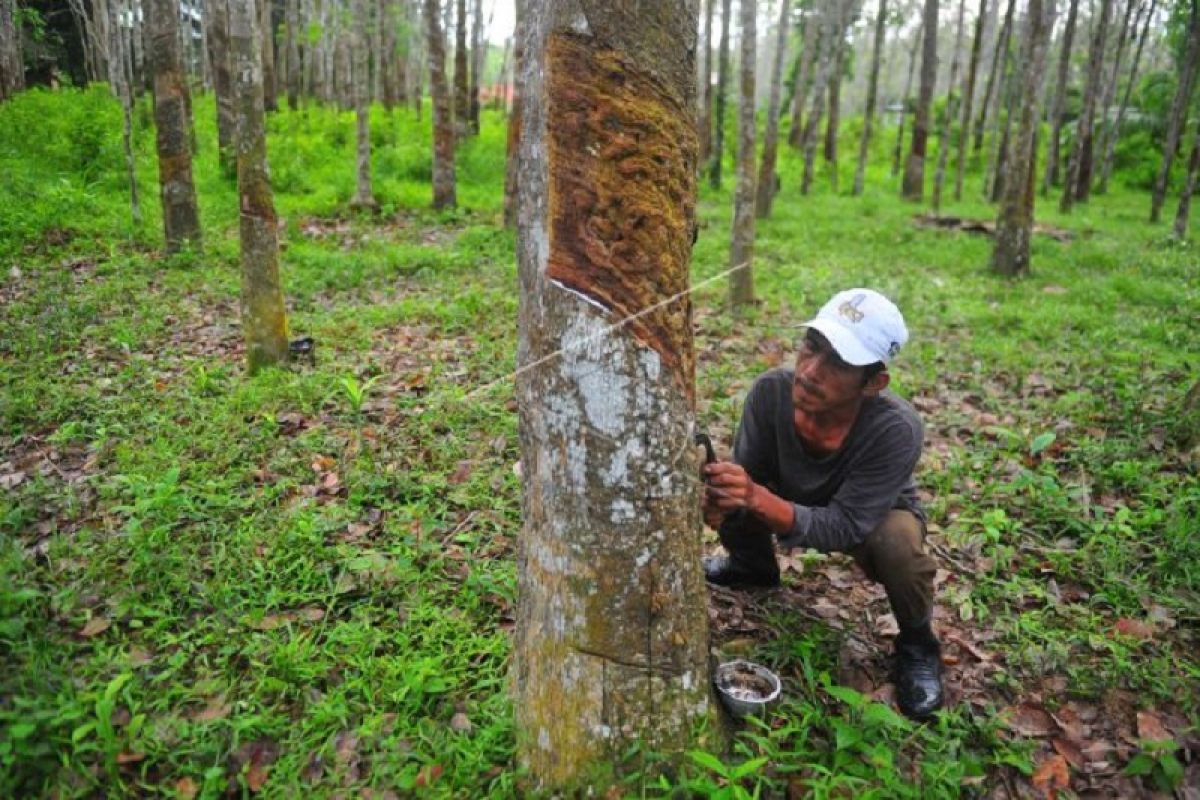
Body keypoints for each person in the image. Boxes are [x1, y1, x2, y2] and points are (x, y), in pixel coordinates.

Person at [701, 288, 943, 720]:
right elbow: (748, 476)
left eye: (838, 363)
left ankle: (918, 642)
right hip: (788, 495)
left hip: (866, 513)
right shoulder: (771, 393)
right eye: (811, 347)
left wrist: (756, 497)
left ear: (873, 383)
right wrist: (723, 500)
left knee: (898, 546)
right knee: (734, 487)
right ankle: (753, 568)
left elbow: (846, 525)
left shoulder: (895, 429)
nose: (811, 371)